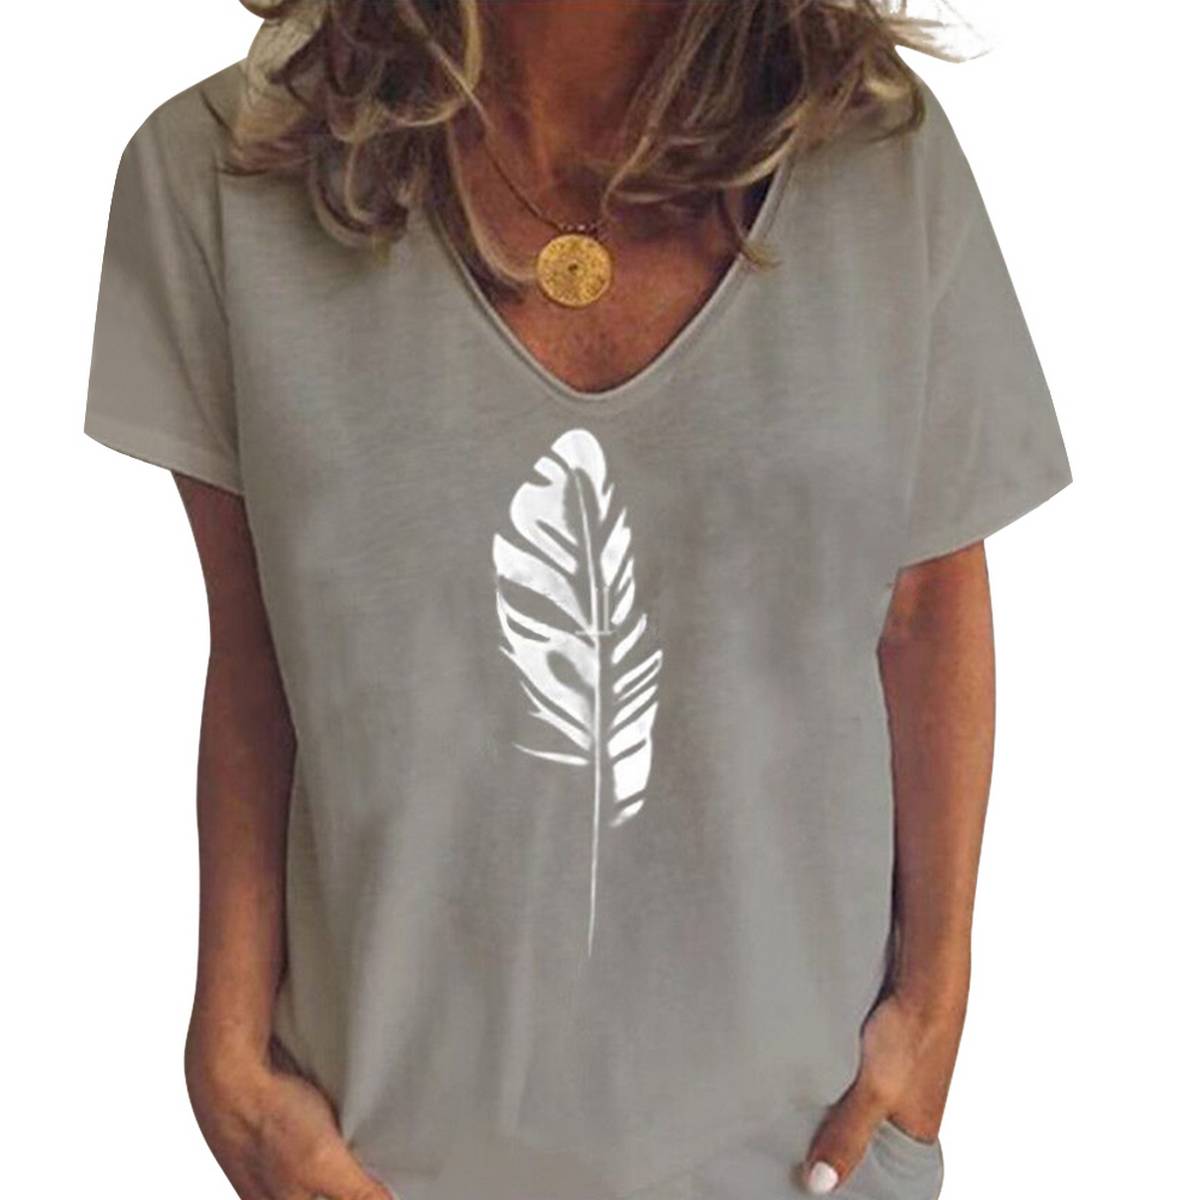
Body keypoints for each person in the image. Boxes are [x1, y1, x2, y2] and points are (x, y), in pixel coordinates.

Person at [82, 3, 1071, 1199]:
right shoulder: (220, 180)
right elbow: (257, 648)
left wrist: (935, 1004)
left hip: (807, 1161)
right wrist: (231, 1062)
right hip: (379, 1164)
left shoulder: (879, 158)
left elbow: (924, 606)